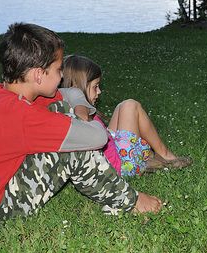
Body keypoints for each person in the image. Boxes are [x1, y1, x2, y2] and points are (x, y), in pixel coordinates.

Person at [0, 23, 162, 224]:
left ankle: (117, 195)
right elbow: (99, 137)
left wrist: (80, 110)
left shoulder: (7, 96)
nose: (62, 75)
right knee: (72, 147)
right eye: (58, 69)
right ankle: (130, 201)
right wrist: (83, 122)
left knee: (64, 115)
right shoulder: (23, 116)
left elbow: (71, 93)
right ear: (38, 74)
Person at [49, 54, 192, 177]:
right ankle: (163, 154)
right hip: (121, 167)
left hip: (114, 156)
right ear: (77, 87)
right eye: (95, 87)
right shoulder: (81, 114)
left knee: (121, 107)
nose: (99, 92)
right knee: (130, 105)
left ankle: (150, 157)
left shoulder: (71, 109)